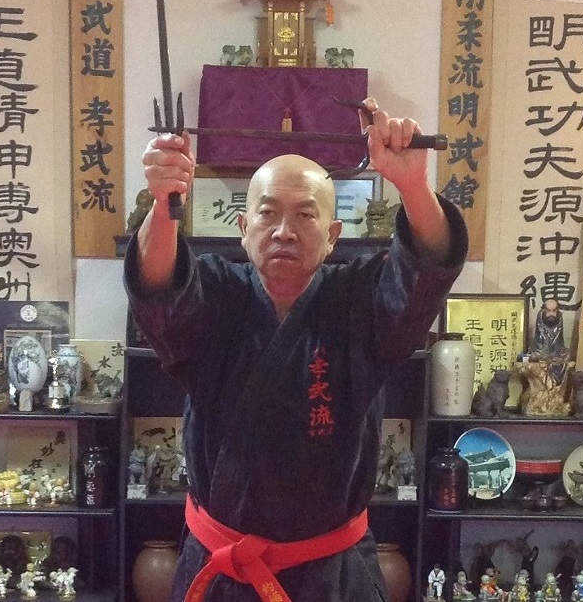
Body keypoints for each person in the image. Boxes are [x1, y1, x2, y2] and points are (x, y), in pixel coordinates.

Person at [125, 98, 468, 601]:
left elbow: (427, 268)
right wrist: (163, 203)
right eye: (267, 214)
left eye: (305, 215)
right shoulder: (217, 293)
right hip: (223, 571)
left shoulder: (359, 301)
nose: (284, 231)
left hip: (332, 575)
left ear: (333, 236)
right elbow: (158, 290)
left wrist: (413, 184)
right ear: (243, 229)